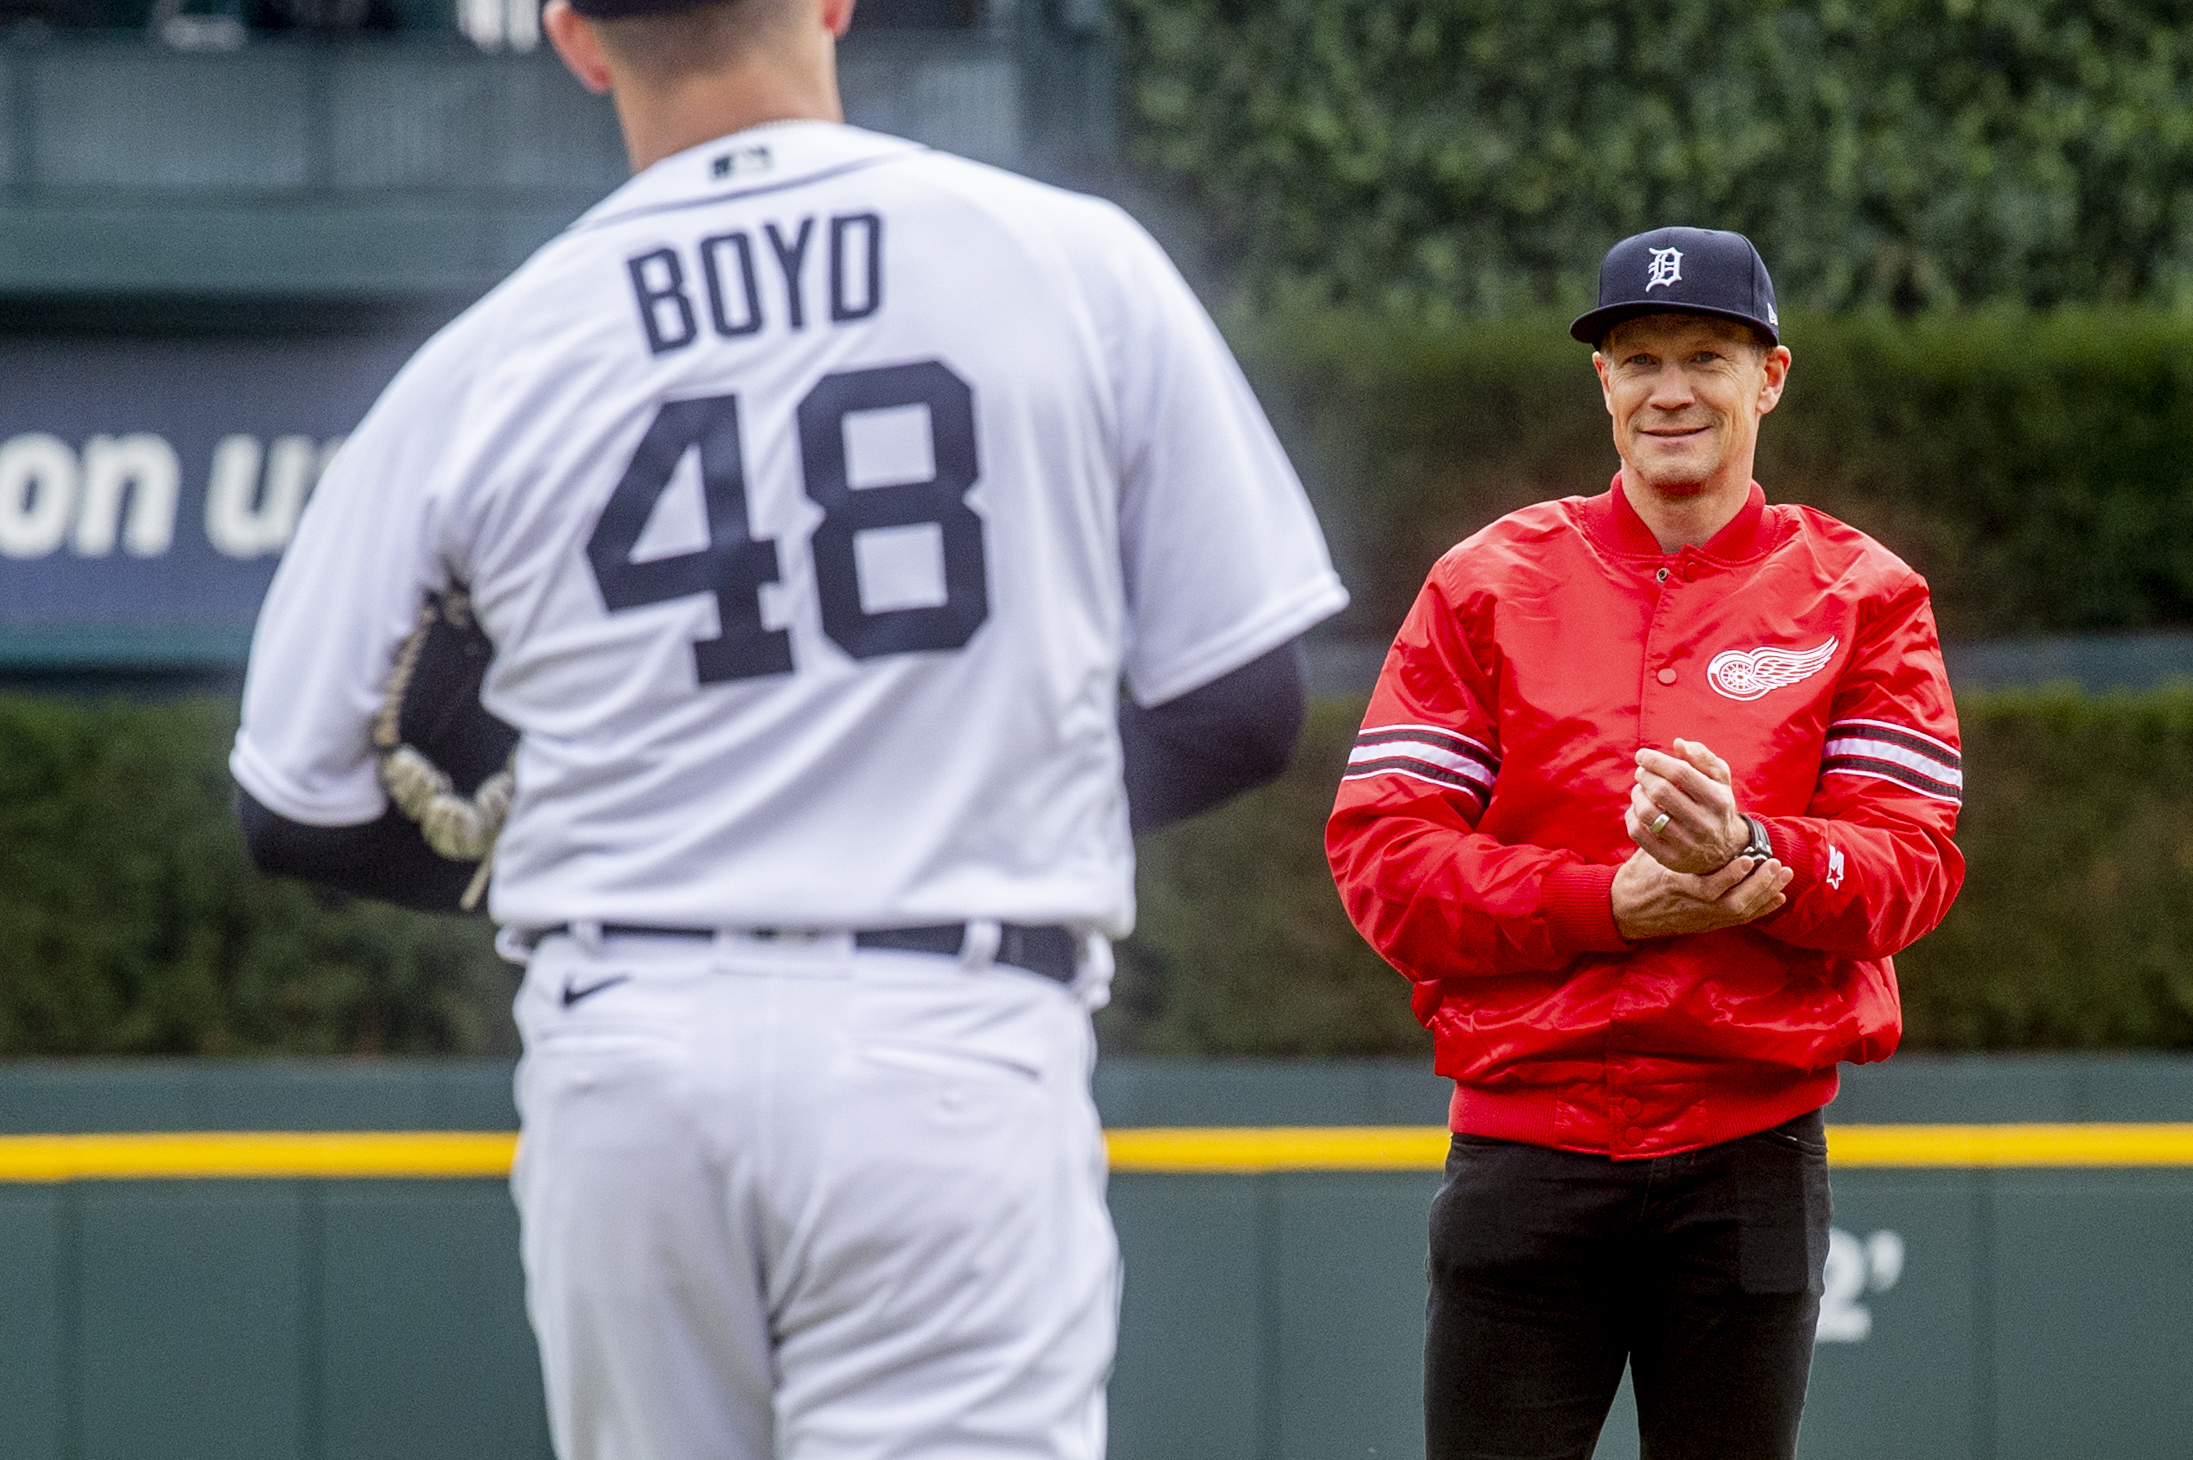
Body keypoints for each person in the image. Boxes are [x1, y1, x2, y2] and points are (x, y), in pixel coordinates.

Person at [227, 0, 1349, 1454]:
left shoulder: (488, 357)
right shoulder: (1063, 262)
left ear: (573, 36)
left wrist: (596, 835)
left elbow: (294, 801)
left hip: (624, 1049)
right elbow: (1242, 701)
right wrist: (956, 785)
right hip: (945, 1033)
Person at [1325, 226, 1965, 1460]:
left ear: (1770, 374)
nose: (1672, 388)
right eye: (1639, 356)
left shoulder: (1863, 592)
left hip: (1749, 1155)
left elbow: (1913, 866)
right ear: (1602, 381)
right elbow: (1384, 862)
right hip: (1526, 1148)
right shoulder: (1485, 581)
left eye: (1709, 354)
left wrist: (1755, 856)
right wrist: (1604, 902)